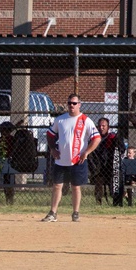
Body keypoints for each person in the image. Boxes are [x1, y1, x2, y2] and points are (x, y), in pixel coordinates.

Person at [41, 94, 101, 222]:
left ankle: (75, 213)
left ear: (79, 104)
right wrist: (52, 149)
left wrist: (86, 152)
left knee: (76, 186)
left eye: (74, 103)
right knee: (57, 186)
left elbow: (96, 138)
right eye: (69, 103)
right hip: (61, 160)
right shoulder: (60, 119)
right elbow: (50, 134)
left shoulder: (85, 120)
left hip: (77, 160)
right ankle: (53, 213)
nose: (71, 106)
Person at [86, 117, 115, 205]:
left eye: (104, 126)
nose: (101, 127)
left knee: (113, 181)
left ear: (108, 127)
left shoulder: (112, 138)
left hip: (110, 167)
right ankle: (98, 202)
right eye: (100, 126)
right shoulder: (94, 139)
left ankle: (117, 200)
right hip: (98, 168)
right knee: (98, 180)